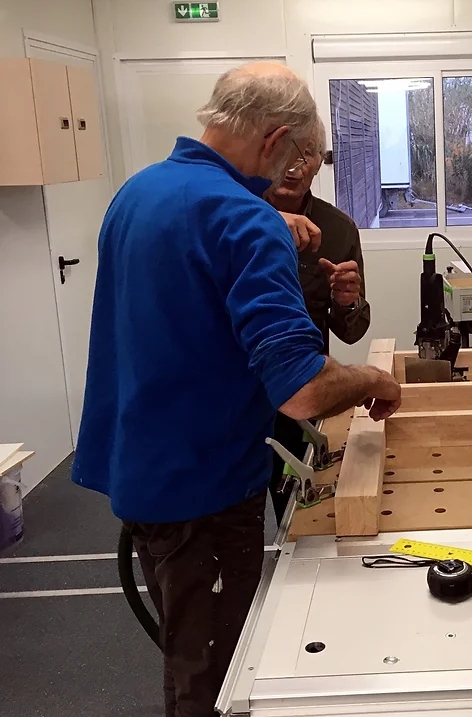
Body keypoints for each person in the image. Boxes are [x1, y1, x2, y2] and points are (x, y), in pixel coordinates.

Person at [70, 61, 401, 717]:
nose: (291, 176)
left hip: (147, 472)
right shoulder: (245, 220)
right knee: (221, 683)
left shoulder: (138, 193)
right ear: (275, 139)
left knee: (189, 652)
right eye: (297, 158)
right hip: (206, 493)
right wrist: (373, 378)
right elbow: (302, 390)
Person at [264, 116, 371, 524]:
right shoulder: (230, 217)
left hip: (301, 390)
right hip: (232, 395)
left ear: (320, 161)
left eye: (307, 153)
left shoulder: (338, 228)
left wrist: (347, 301)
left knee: (295, 508)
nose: (295, 166)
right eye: (286, 152)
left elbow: (352, 330)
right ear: (265, 153)